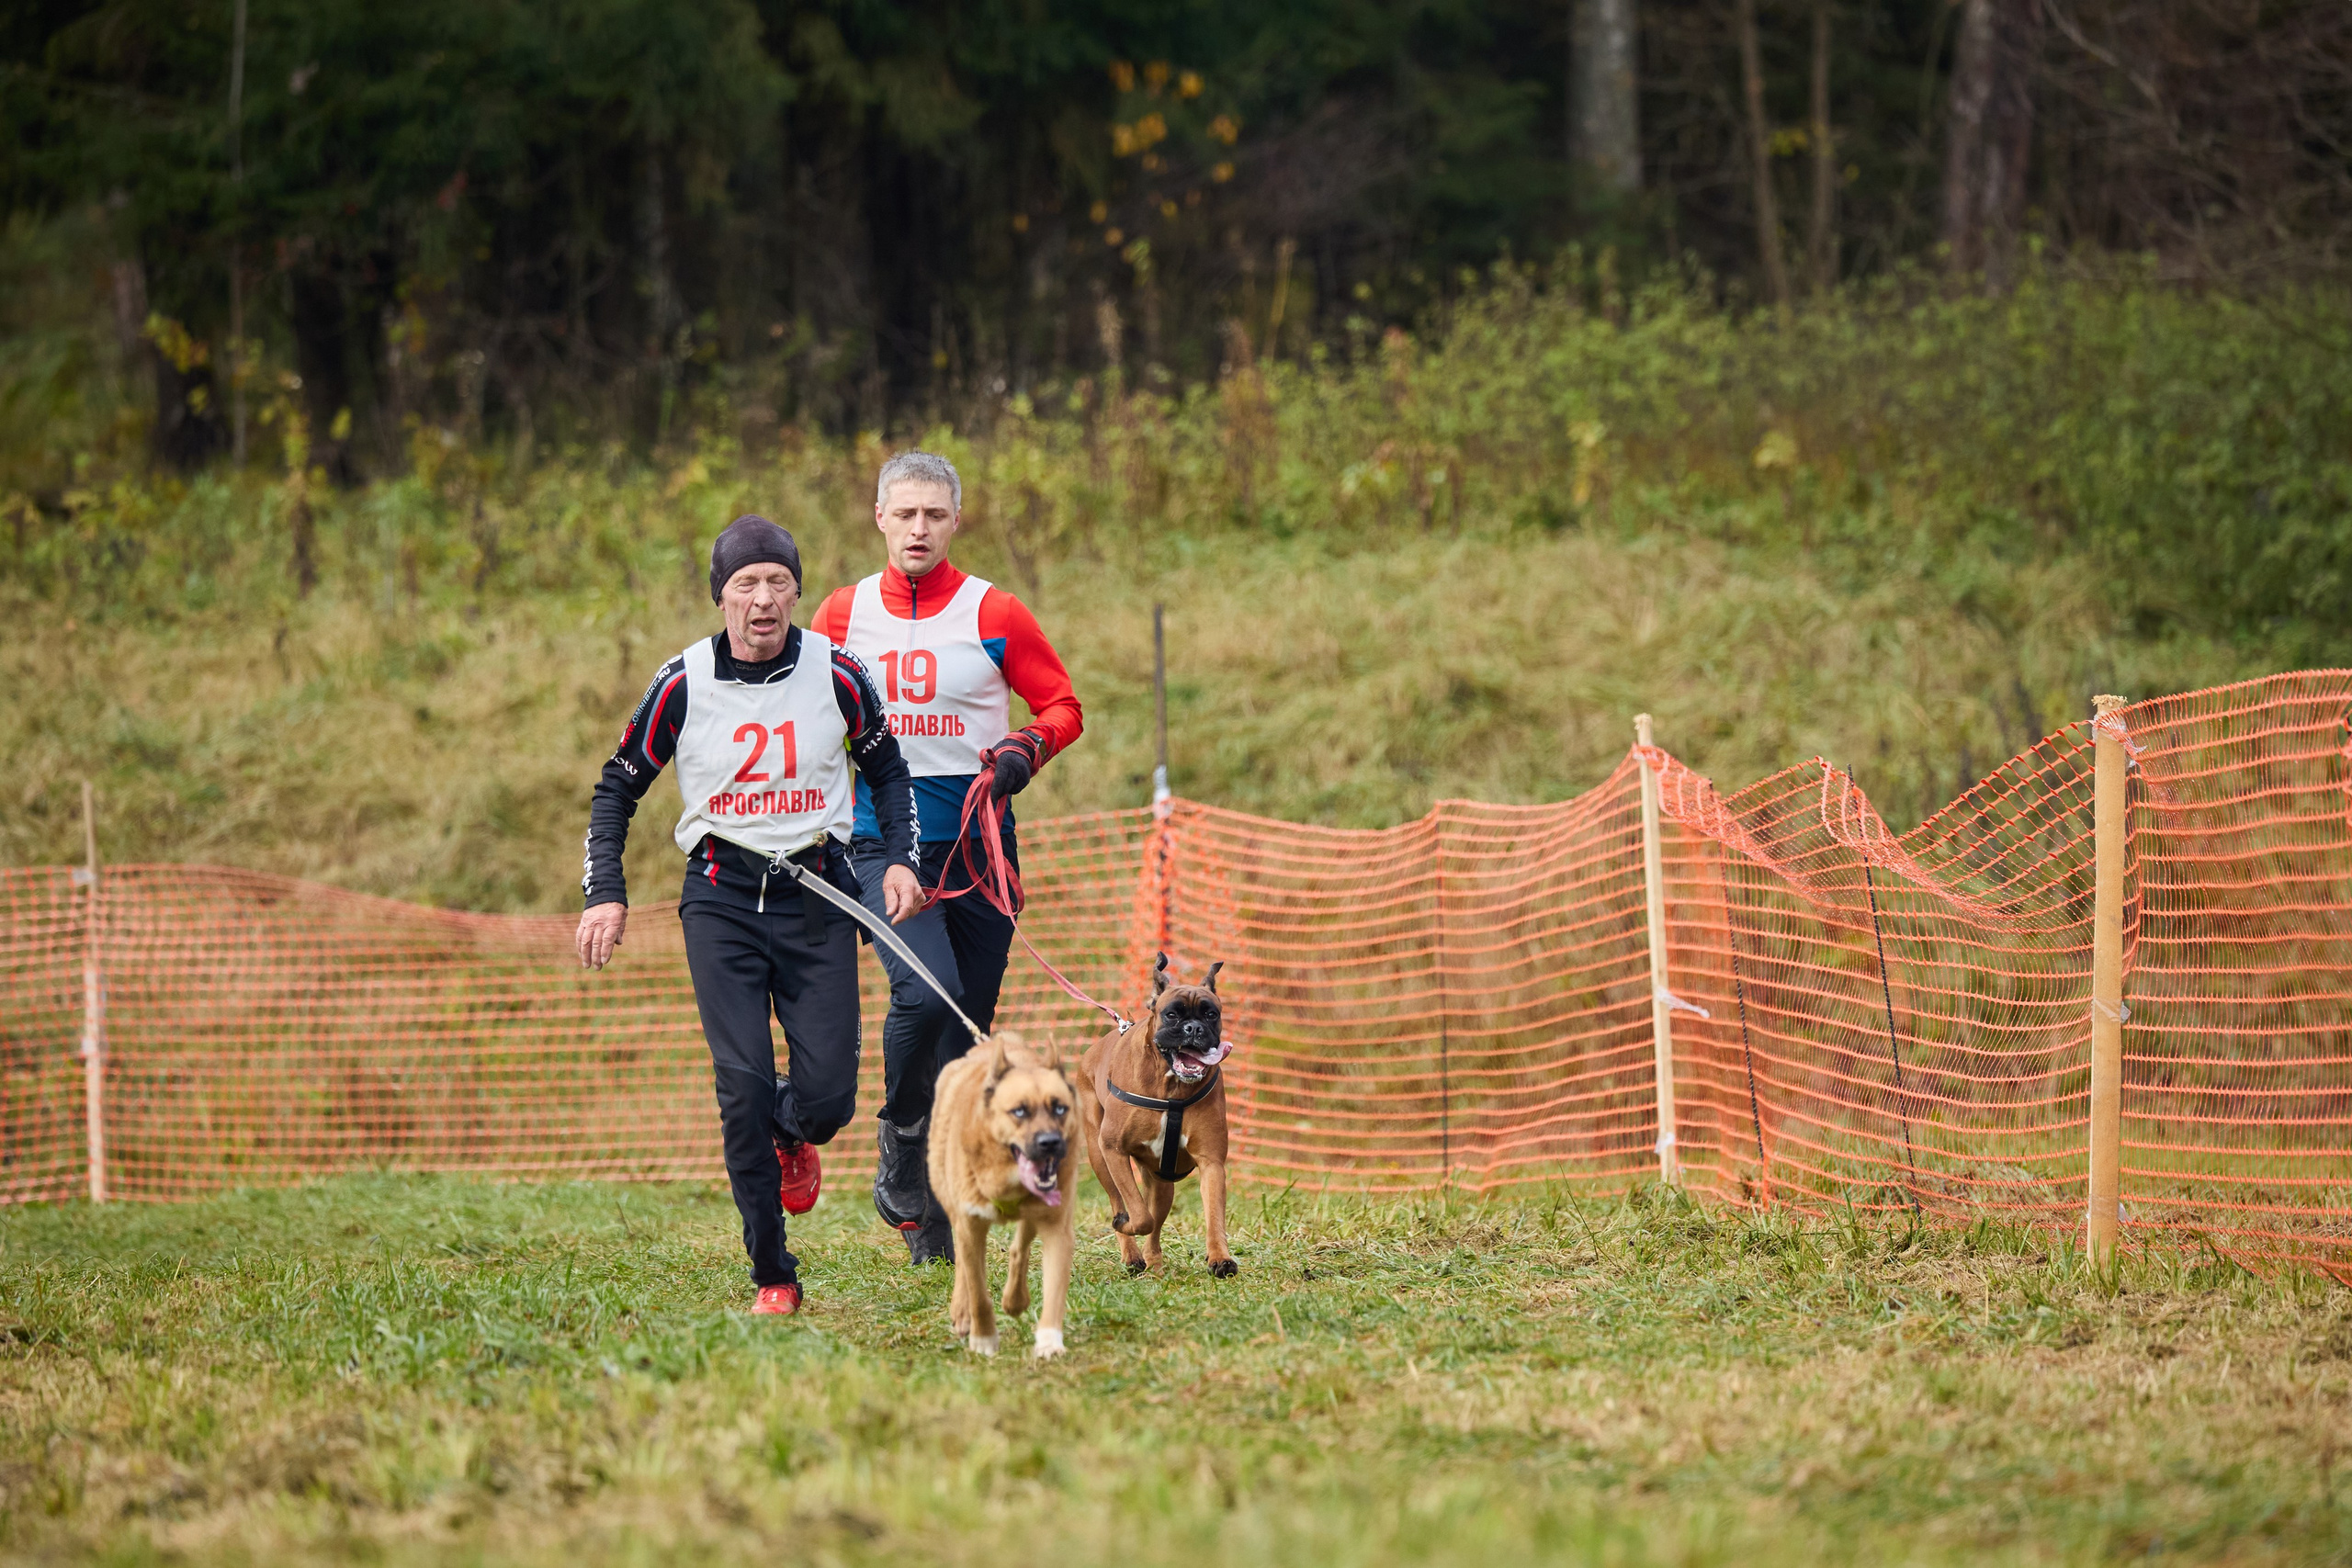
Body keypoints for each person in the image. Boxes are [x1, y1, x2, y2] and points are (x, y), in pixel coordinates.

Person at [576, 514, 922, 1316]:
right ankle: (773, 1269)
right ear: (721, 596)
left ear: (796, 591)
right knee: (740, 1086)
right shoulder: (682, 680)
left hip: (817, 897)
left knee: (831, 1094)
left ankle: (793, 1127)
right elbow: (617, 785)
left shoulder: (838, 671)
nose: (763, 601)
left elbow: (890, 771)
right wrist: (606, 892)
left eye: (778, 583)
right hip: (722, 901)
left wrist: (903, 858)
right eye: (745, 585)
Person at [808, 450, 1085, 1265]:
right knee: (928, 998)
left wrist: (1022, 751)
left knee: (968, 1031)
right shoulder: (839, 613)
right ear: (880, 517)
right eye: (906, 513)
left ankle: (933, 1214)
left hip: (982, 842)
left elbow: (1063, 704)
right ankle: (900, 1139)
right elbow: (800, 708)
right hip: (883, 841)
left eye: (935, 514)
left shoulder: (995, 610)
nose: (919, 527)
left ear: (956, 520)